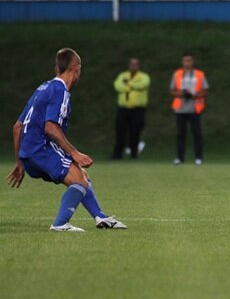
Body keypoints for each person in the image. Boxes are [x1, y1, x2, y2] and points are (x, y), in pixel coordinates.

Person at [6, 48, 128, 231]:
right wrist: (74, 153)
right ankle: (60, 224)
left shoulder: (43, 88)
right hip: (41, 150)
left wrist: (20, 162)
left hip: (29, 154)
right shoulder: (60, 91)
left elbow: (17, 127)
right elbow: (50, 127)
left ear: (57, 68)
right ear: (77, 69)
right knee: (79, 180)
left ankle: (101, 217)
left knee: (82, 176)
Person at [170, 52, 209, 165]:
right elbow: (172, 90)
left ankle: (198, 158)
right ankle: (180, 158)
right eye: (185, 61)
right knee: (180, 134)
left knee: (197, 133)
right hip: (180, 108)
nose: (187, 63)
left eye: (189, 61)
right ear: (182, 62)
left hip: (195, 108)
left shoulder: (199, 74)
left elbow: (205, 91)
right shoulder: (177, 74)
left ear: (193, 61)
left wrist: (196, 95)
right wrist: (180, 94)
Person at [112, 57, 150, 159]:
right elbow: (117, 86)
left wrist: (128, 84)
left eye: (136, 65)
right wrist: (132, 86)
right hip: (123, 108)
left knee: (135, 131)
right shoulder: (123, 75)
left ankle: (134, 153)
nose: (133, 67)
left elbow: (143, 85)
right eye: (132, 64)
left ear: (139, 66)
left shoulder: (143, 76)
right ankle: (117, 154)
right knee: (120, 131)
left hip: (138, 109)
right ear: (129, 65)